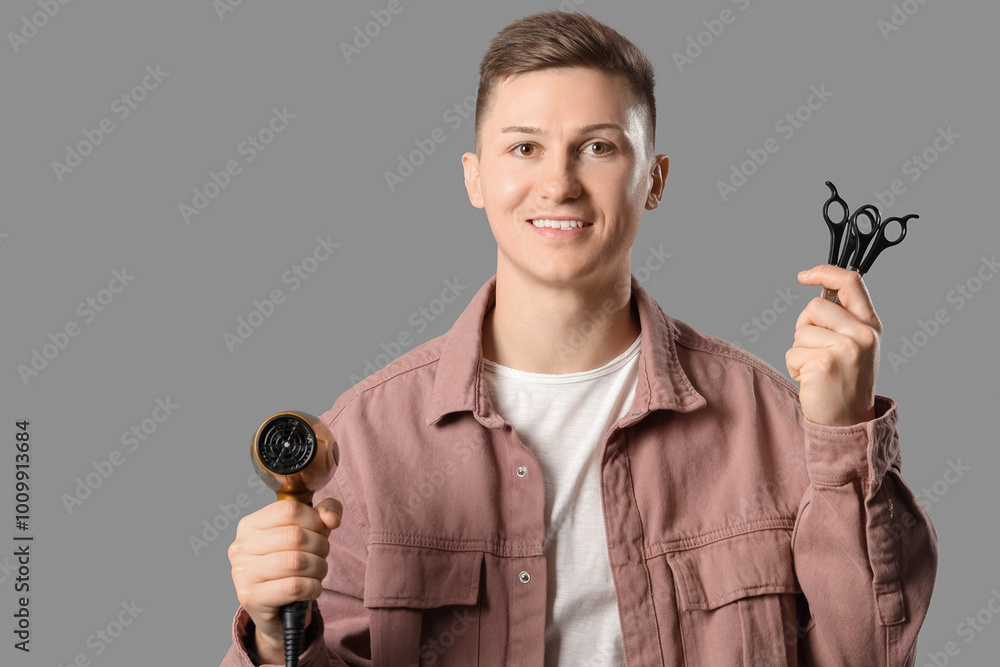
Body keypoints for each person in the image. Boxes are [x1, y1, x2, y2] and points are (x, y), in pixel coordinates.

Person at [221, 10, 937, 666]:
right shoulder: (369, 439)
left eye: (597, 146)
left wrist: (842, 434)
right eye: (524, 147)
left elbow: (869, 655)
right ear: (475, 177)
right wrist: (265, 625)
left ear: (654, 180)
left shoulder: (771, 422)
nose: (558, 183)